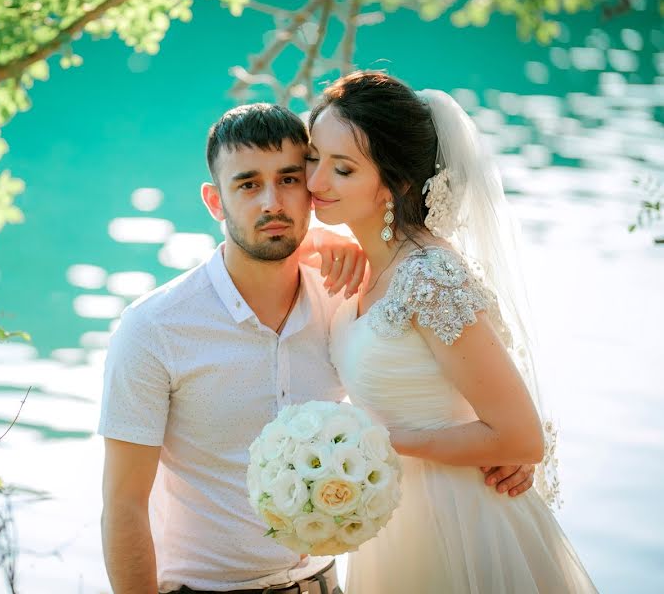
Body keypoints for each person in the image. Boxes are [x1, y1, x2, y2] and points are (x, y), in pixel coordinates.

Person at [99, 103, 535, 594]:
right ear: (214, 201)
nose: (272, 203)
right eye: (247, 184)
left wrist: (495, 444)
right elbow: (123, 506)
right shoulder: (155, 327)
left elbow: (424, 375)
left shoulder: (347, 300)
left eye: (289, 180)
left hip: (326, 584)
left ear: (311, 188)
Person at [308, 70, 596, 593]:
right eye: (313, 159)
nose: (315, 182)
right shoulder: (359, 264)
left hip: (459, 521)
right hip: (391, 519)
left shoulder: (429, 276)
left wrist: (370, 443)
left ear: (395, 182)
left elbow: (520, 436)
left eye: (342, 169)